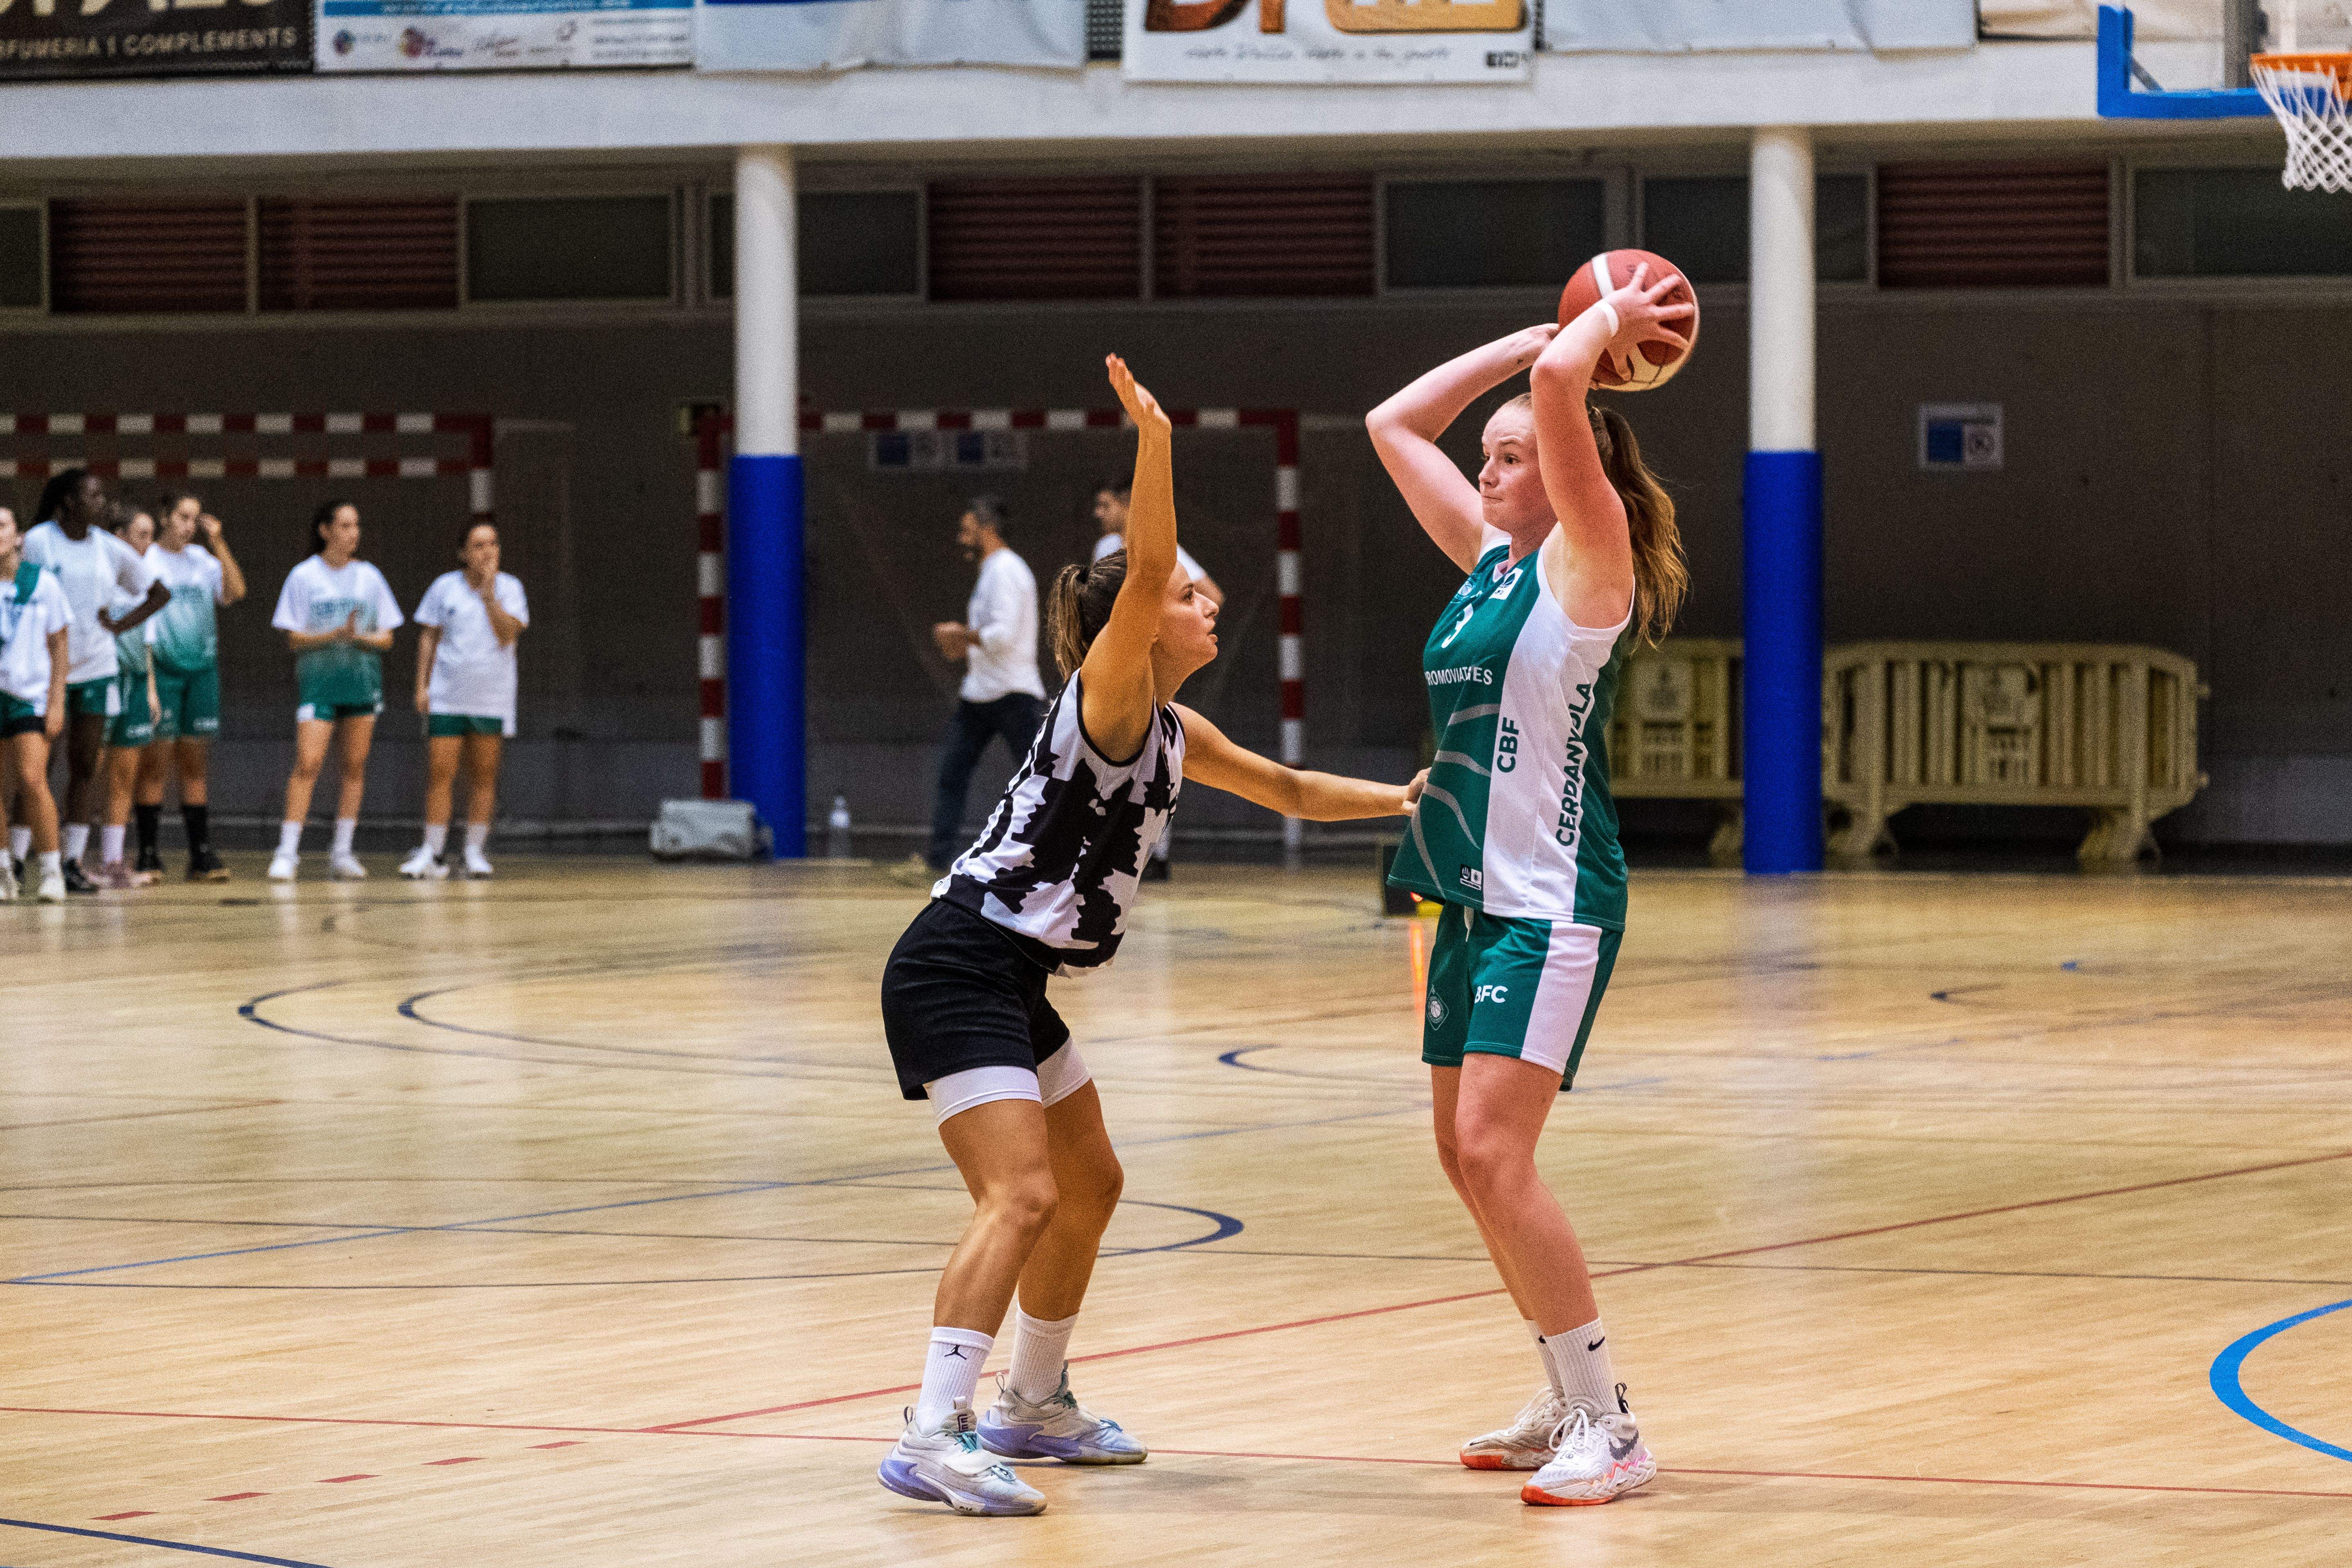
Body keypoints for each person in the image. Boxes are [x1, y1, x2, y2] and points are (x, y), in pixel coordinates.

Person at [874, 355, 1425, 1518]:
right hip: (959, 954)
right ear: (1140, 610)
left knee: (1094, 1179)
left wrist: (1403, 799)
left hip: (1012, 973)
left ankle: (1030, 1402)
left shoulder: (1175, 727)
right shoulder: (1108, 693)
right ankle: (932, 1427)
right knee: (1020, 1195)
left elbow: (1285, 784)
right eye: (1188, 593)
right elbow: (1152, 566)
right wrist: (1157, 440)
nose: (1206, 601)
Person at [1365, 266, 1691, 1508]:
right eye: (1488, 456)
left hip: (1551, 900)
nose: (1490, 468)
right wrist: (1524, 339)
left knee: (1496, 1150)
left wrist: (1598, 330)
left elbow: (1562, 389)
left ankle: (1608, 1425)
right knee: (1462, 1155)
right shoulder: (1486, 566)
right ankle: (1564, 1392)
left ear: (1564, 475)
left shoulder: (1580, 566)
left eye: (1511, 456)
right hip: (1461, 892)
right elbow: (1391, 425)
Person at [19, 469, 167, 895]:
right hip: (48, 672)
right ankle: (15, 858)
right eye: (93, 495)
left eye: (102, 496)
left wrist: (122, 625)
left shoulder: (109, 548)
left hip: (98, 667)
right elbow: (18, 595)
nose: (102, 503)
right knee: (36, 771)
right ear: (68, 501)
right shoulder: (40, 541)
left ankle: (70, 861)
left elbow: (159, 593)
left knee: (85, 768)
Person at [1093, 478, 1222, 881]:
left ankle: (1153, 852)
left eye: (1105, 504)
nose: (1099, 514)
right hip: (1115, 670)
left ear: (1129, 504)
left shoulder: (1161, 551)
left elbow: (1211, 591)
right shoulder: (1104, 550)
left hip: (1148, 667)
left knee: (1153, 760)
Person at [268, 500, 402, 883]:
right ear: (325, 531)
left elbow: (388, 637)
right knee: (308, 764)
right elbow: (292, 637)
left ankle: (342, 851)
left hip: (362, 685)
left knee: (354, 768)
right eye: (344, 526)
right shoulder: (303, 576)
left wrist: (362, 637)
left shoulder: (370, 577)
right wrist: (333, 635)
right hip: (319, 687)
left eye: (356, 525)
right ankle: (287, 852)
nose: (352, 533)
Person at [920, 494, 1045, 875]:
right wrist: (967, 643)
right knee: (951, 775)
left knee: (1041, 781)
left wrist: (962, 635)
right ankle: (939, 857)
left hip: (1013, 693)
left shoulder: (1006, 569)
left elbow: (1004, 635)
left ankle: (1060, 854)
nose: (961, 539)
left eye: (966, 530)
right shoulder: (992, 569)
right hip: (981, 691)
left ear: (986, 527)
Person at [402, 521, 528, 880]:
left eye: (493, 544)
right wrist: (421, 686)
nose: (487, 552)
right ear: (463, 553)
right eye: (478, 545)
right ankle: (433, 851)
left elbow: (507, 635)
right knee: (440, 774)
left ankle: (474, 850)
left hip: (491, 697)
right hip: (447, 695)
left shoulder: (511, 588)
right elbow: (428, 636)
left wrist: (490, 598)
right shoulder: (445, 587)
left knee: (484, 776)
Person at [136, 491, 246, 882]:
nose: (189, 526)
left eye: (195, 519)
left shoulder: (203, 560)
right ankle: (148, 853)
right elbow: (143, 630)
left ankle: (201, 852)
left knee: (195, 764)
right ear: (165, 517)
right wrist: (148, 684)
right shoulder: (148, 561)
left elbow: (235, 592)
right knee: (155, 764)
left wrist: (218, 541)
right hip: (164, 671)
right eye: (183, 517)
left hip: (202, 670)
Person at [0, 505, 72, 903]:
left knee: (31, 779)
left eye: (3, 526)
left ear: (18, 535)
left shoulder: (42, 584)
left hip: (30, 695)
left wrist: (57, 700)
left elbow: (60, 644)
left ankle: (51, 869)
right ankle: (4, 870)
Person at [90, 503, 162, 890]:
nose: (150, 543)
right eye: (142, 535)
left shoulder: (144, 581)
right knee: (90, 773)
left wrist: (150, 687)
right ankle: (72, 858)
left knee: (124, 774)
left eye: (152, 535)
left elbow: (146, 639)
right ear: (119, 538)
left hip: (134, 682)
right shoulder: (98, 575)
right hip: (101, 680)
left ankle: (113, 862)